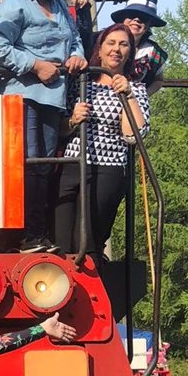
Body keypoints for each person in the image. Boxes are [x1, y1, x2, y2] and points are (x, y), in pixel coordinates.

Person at [0, 0, 88, 253]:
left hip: (52, 98)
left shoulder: (59, 5)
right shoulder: (14, 4)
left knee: (44, 165)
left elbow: (76, 41)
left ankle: (38, 234)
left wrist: (76, 57)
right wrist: (35, 65)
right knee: (28, 162)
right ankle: (24, 235)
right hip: (21, 95)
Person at [53, 24, 150, 260]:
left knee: (88, 240)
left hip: (108, 169)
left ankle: (91, 290)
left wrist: (127, 96)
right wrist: (74, 120)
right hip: (71, 164)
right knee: (61, 239)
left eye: (123, 44)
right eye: (111, 43)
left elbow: (133, 135)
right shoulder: (79, 83)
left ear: (130, 52)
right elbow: (59, 129)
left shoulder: (136, 88)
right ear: (100, 48)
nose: (116, 49)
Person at [111, 0, 168, 95]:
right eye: (132, 14)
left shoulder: (153, 52)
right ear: (123, 18)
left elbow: (159, 80)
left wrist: (143, 95)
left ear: (149, 24)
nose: (137, 19)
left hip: (134, 105)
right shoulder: (103, 43)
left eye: (144, 17)